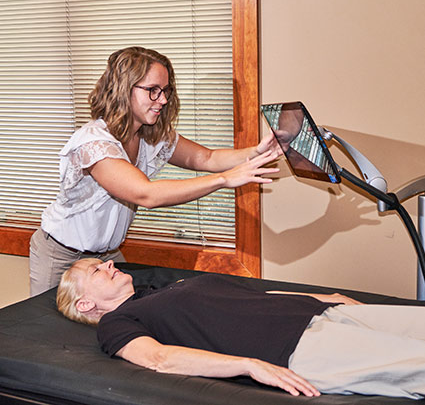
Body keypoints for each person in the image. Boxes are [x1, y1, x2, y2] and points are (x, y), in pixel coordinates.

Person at [30, 46, 283, 296]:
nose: (162, 100)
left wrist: (257, 151)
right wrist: (225, 179)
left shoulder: (152, 137)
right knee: (45, 332)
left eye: (165, 91)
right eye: (152, 90)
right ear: (123, 89)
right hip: (61, 254)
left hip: (106, 258)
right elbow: (145, 194)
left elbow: (207, 157)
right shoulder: (93, 142)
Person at [57, 258, 425, 400]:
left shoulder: (157, 290)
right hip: (298, 348)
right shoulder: (115, 323)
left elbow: (250, 296)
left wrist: (322, 295)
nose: (107, 263)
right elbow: (160, 359)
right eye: (96, 270)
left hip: (320, 313)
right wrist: (248, 365)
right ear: (86, 303)